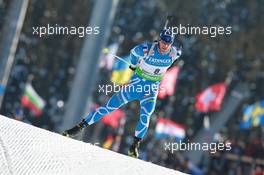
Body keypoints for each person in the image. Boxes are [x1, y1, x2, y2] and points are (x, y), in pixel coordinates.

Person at [62, 28, 182, 158]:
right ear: (159, 40)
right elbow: (133, 53)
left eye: (168, 43)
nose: (165, 46)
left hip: (150, 90)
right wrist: (134, 65)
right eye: (163, 42)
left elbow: (179, 53)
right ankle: (79, 127)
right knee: (109, 107)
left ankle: (134, 146)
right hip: (135, 86)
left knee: (146, 116)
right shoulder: (147, 49)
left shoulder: (173, 53)